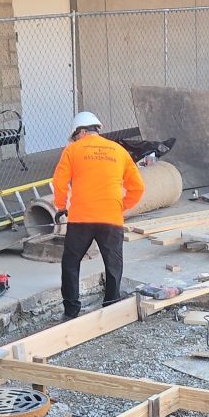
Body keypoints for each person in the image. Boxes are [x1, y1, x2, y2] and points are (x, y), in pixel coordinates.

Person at [51, 110, 144, 320]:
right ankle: (111, 308)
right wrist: (120, 206)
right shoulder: (119, 151)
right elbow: (138, 187)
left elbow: (60, 182)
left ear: (81, 132)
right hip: (111, 218)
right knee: (113, 265)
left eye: (75, 136)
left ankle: (71, 311)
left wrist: (61, 206)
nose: (75, 139)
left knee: (71, 263)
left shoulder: (72, 150)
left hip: (81, 218)